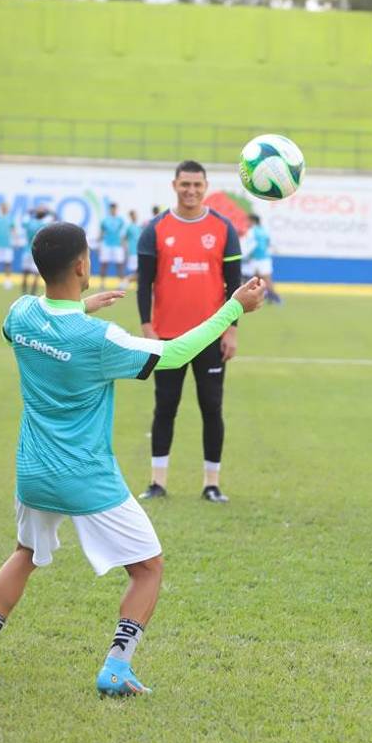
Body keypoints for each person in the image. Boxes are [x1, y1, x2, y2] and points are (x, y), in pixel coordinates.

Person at [0, 221, 266, 695]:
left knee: (25, 553)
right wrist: (233, 307)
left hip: (33, 472)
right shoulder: (100, 339)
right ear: (83, 265)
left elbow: (46, 327)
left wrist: (77, 305)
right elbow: (173, 353)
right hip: (85, 476)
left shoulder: (18, 313)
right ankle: (117, 666)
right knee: (149, 568)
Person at [137, 161, 244, 504]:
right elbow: (144, 285)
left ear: (206, 186)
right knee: (165, 406)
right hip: (167, 337)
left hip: (211, 337)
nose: (191, 191)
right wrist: (147, 329)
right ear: (174, 185)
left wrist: (231, 329)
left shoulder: (223, 228)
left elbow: (235, 286)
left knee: (212, 407)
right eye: (185, 184)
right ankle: (157, 482)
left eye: (197, 185)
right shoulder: (155, 229)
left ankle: (211, 484)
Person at [245, 214, 282, 305]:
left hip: (256, 258)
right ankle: (267, 297)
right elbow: (269, 243)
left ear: (253, 221)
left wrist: (245, 256)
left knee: (257, 279)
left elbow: (250, 245)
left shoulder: (252, 231)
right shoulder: (264, 230)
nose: (247, 223)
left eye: (248, 221)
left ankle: (274, 297)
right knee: (262, 279)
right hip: (265, 258)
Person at [19, 208, 50, 296]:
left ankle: (24, 292)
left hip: (26, 250)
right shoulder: (44, 224)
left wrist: (31, 211)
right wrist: (49, 211)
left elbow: (24, 218)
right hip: (37, 252)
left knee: (25, 273)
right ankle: (33, 293)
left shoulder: (29, 223)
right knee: (36, 274)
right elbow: (55, 219)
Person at [96, 202, 126, 290]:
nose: (113, 210)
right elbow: (101, 232)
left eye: (115, 208)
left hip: (117, 245)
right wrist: (98, 244)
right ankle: (102, 284)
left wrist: (123, 244)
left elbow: (123, 234)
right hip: (106, 244)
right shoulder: (105, 220)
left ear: (116, 209)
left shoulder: (120, 220)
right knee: (104, 264)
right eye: (112, 208)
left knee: (119, 265)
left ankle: (121, 284)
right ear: (110, 209)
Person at [120, 209, 142, 291]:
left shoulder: (139, 226)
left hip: (139, 252)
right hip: (133, 252)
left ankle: (128, 283)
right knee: (137, 271)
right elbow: (124, 238)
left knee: (138, 271)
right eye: (133, 215)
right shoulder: (129, 227)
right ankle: (125, 282)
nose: (135, 216)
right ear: (131, 216)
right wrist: (125, 248)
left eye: (135, 215)